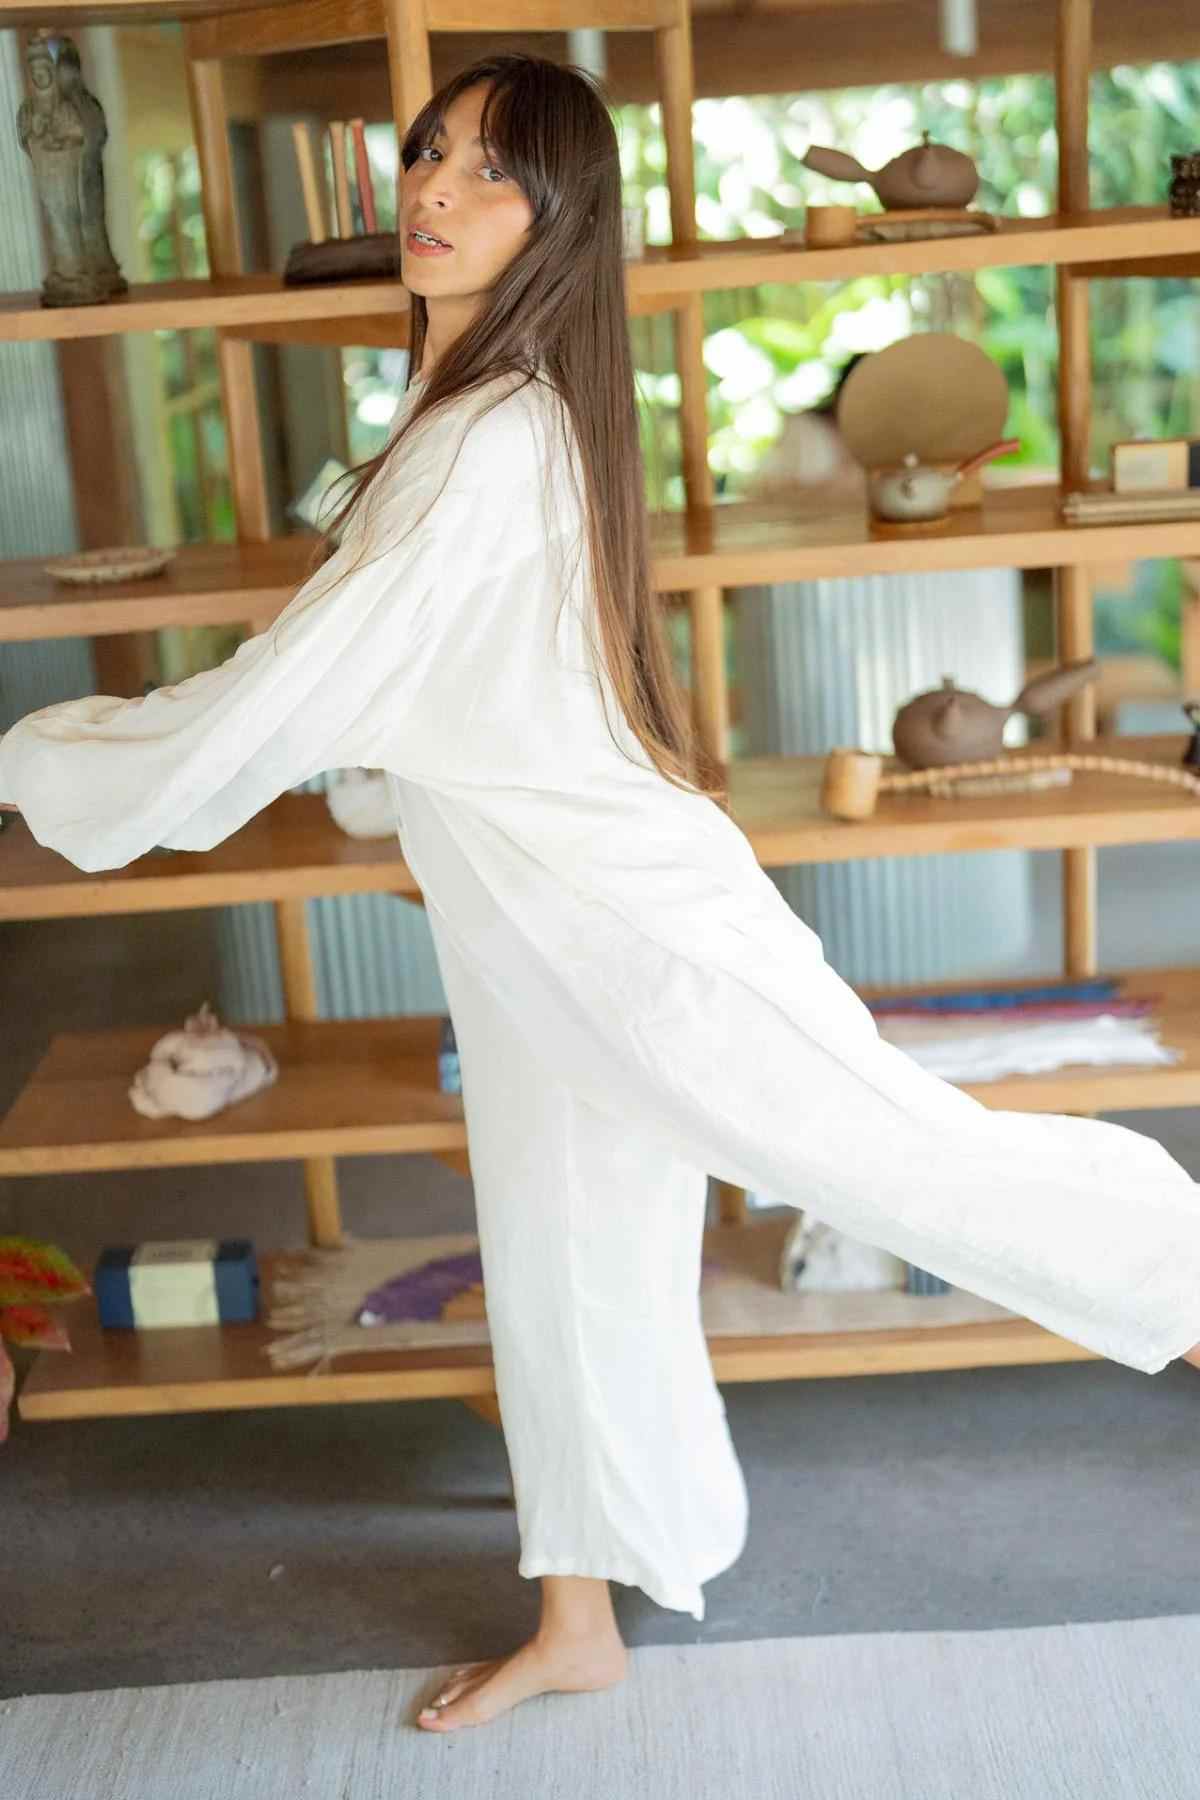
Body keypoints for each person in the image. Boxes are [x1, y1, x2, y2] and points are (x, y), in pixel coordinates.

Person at [2, 54, 1199, 1735]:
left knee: (909, 1160)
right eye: (430, 154)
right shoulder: (455, 419)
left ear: (559, 218)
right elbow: (404, 696)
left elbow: (288, 694)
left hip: (634, 926)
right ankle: (581, 1612)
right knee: (566, 1254)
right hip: (529, 931)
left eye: (490, 172)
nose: (436, 187)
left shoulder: (492, 435)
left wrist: (43, 757)